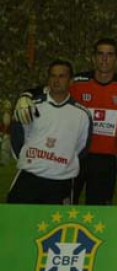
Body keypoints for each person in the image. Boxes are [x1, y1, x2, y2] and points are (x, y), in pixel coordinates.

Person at [8, 60, 92, 205]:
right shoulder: (31, 106)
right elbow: (17, 137)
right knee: (15, 224)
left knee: (56, 227)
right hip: (29, 178)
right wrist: (31, 159)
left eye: (61, 76)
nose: (56, 80)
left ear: (71, 81)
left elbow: (81, 149)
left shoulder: (82, 114)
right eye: (53, 76)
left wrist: (58, 162)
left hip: (60, 183)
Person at [69, 38, 117, 205]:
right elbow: (52, 88)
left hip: (106, 159)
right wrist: (27, 95)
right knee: (65, 206)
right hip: (75, 155)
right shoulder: (76, 83)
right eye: (100, 54)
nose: (104, 59)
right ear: (93, 58)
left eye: (109, 55)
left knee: (99, 211)